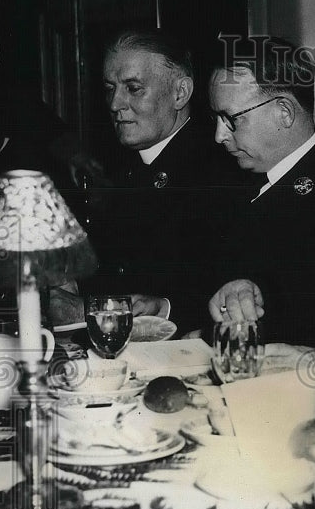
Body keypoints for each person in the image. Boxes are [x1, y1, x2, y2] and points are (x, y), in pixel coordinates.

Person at [81, 29, 247, 333]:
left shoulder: (221, 173)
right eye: (110, 88)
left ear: (180, 93)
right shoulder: (124, 168)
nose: (115, 103)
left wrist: (167, 307)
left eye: (133, 88)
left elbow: (237, 292)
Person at [206, 37, 315, 346]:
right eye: (216, 119)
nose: (220, 135)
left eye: (231, 119)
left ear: (284, 112)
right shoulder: (229, 181)